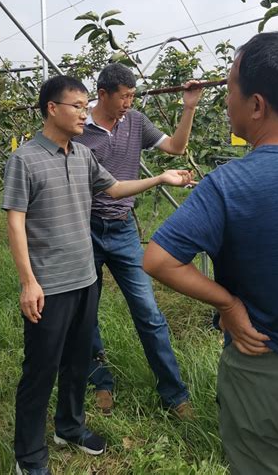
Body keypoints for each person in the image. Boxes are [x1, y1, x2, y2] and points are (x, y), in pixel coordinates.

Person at [143, 31, 278, 475]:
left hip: (259, 368)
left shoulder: (229, 184)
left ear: (256, 104)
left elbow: (158, 260)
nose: (226, 103)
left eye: (229, 90)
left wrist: (228, 303)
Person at [2, 75, 194, 475]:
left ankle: (70, 428)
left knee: (77, 360)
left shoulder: (82, 155)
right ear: (52, 108)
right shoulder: (24, 159)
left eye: (86, 104)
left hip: (84, 278)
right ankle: (29, 456)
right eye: (77, 105)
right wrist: (28, 281)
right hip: (49, 284)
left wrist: (160, 178)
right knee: (40, 370)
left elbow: (115, 188)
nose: (84, 112)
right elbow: (16, 222)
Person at [75, 62, 203, 418]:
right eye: (124, 97)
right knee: (87, 311)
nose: (129, 103)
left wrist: (189, 107)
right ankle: (100, 381)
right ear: (103, 95)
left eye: (133, 96)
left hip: (122, 230)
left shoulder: (135, 122)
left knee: (148, 312)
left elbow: (176, 147)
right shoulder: (78, 129)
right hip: (86, 229)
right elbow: (107, 189)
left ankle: (174, 394)